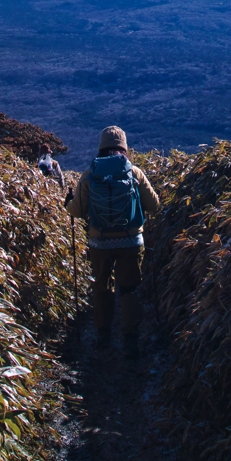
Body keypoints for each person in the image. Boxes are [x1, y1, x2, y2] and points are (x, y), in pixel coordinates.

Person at [65, 125, 160, 359]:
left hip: (99, 243)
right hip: (131, 241)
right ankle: (130, 340)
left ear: (101, 147)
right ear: (124, 148)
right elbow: (155, 206)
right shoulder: (134, 172)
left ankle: (103, 336)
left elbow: (77, 212)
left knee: (102, 287)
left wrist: (68, 202)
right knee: (129, 289)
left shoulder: (90, 174)